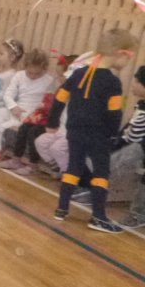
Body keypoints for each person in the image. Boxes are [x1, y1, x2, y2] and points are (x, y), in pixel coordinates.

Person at [46, 28, 138, 232]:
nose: (128, 61)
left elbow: (60, 97)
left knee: (73, 168)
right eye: (129, 56)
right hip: (98, 134)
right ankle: (98, 217)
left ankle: (61, 209)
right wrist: (113, 135)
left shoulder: (78, 74)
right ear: (119, 53)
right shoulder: (112, 82)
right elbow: (114, 113)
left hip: (75, 131)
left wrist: (52, 122)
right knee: (101, 173)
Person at [0, 47, 55, 161]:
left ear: (44, 69)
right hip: (17, 108)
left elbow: (49, 101)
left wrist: (38, 111)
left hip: (33, 113)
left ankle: (16, 153)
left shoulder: (49, 80)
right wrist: (13, 107)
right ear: (25, 67)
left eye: (37, 73)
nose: (33, 76)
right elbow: (8, 94)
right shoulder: (19, 75)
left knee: (18, 124)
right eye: (30, 72)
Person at [115, 65, 145, 227]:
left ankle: (138, 215)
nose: (133, 85)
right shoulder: (141, 105)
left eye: (137, 82)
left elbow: (133, 136)